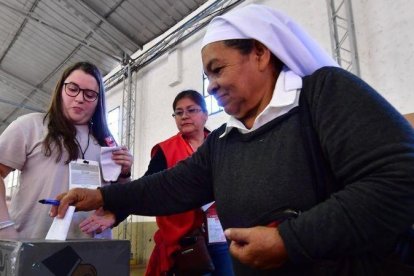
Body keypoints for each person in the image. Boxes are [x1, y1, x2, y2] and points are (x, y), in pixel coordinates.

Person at [51, 4, 414, 275]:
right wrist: (102, 196)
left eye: (217, 69)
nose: (210, 85)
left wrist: (291, 240)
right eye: (206, 75)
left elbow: (399, 179)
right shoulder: (225, 140)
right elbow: (172, 185)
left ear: (260, 52)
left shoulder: (323, 94)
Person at [81, 90, 233, 275]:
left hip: (222, 236)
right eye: (178, 112)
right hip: (184, 241)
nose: (184, 116)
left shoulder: (220, 145)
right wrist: (115, 214)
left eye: (191, 110)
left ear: (205, 114)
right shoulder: (165, 150)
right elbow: (146, 188)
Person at [0, 61, 133, 240]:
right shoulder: (30, 126)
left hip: (92, 249)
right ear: (60, 90)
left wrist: (125, 174)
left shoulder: (107, 142)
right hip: (33, 243)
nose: (79, 98)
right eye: (72, 88)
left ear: (97, 101)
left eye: (90, 94)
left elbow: (121, 193)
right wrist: (4, 225)